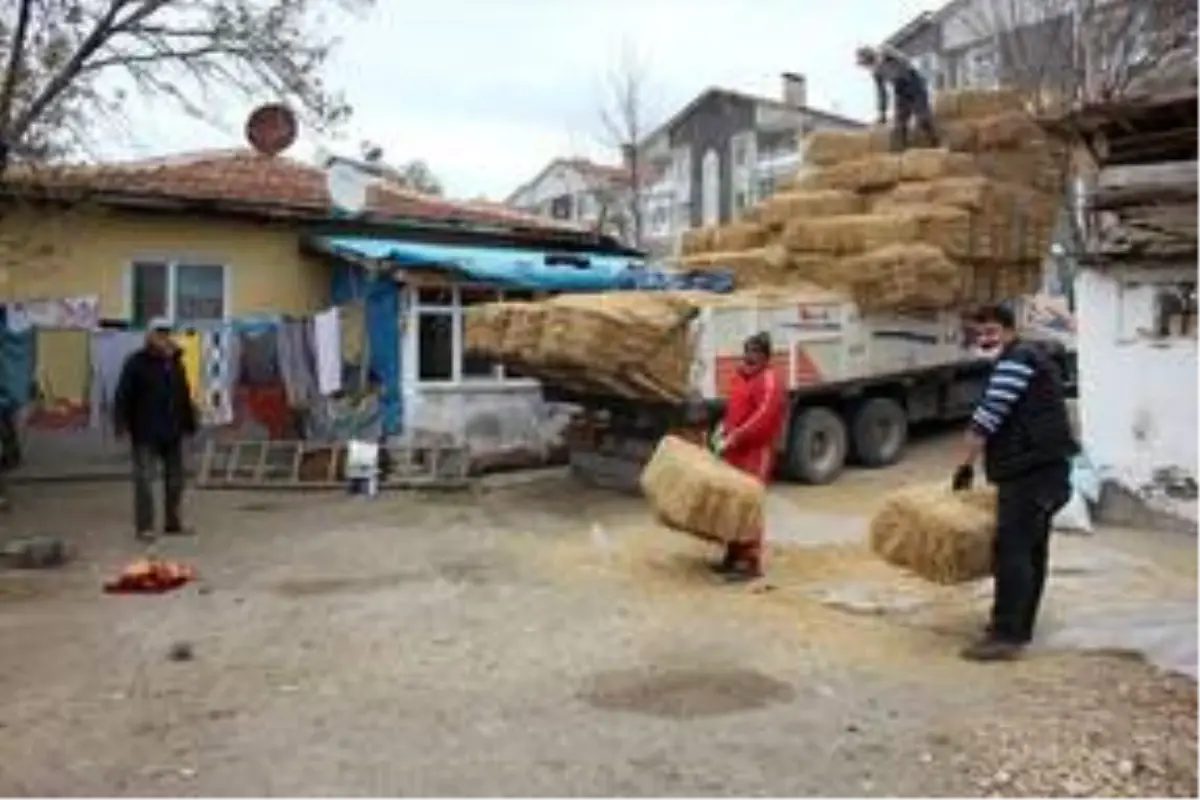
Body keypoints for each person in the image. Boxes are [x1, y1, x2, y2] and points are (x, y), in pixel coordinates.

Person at [951, 304, 1076, 662]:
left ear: (1009, 330)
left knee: (1013, 551)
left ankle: (1006, 635)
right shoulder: (1028, 358)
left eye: (991, 332)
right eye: (980, 334)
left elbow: (986, 418)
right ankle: (1018, 626)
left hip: (1031, 473)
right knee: (1032, 551)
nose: (985, 340)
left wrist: (964, 467)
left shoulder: (1015, 362)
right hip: (1046, 470)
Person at [711, 332, 787, 582]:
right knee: (732, 502)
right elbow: (733, 408)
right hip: (735, 450)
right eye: (748, 351)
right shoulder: (740, 376)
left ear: (766, 356)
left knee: (750, 503)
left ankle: (751, 560)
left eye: (756, 352)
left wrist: (736, 436)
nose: (750, 356)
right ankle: (733, 553)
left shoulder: (770, 381)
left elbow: (763, 416)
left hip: (756, 451)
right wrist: (722, 428)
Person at [114, 318, 198, 542]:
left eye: (167, 332)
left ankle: (173, 522)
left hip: (172, 430)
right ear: (149, 336)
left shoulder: (175, 362)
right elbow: (123, 394)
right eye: (159, 333)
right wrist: (120, 423)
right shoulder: (135, 363)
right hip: (145, 431)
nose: (164, 337)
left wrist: (190, 423)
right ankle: (145, 527)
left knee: (176, 481)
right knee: (144, 481)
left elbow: (183, 394)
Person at [856, 44, 939, 151]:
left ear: (870, 57)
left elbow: (905, 61)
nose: (867, 66)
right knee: (899, 125)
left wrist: (889, 59)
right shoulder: (876, 73)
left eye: (866, 62)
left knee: (923, 118)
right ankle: (903, 152)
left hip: (914, 83)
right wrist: (882, 112)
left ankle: (935, 143)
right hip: (900, 90)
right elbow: (882, 93)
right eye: (865, 64)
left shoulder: (886, 53)